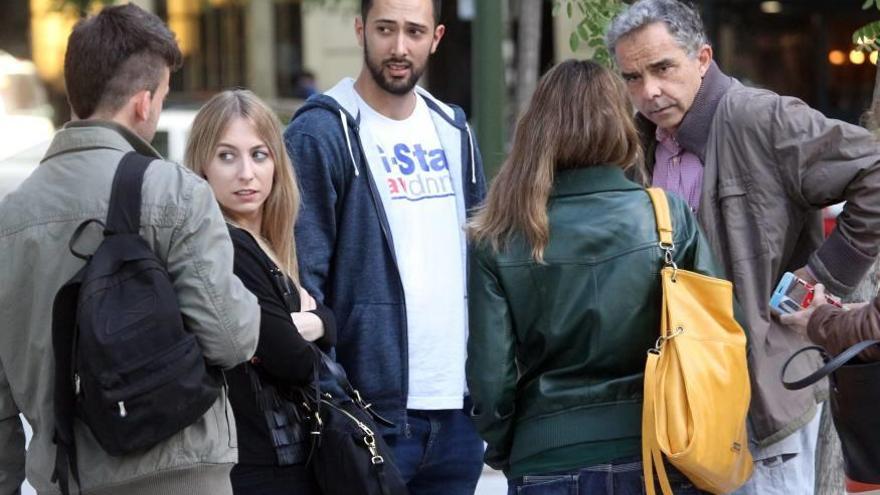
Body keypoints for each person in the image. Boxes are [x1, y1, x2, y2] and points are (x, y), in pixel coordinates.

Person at [606, 1, 880, 493]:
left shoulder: (761, 117)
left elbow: (875, 173)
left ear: (703, 58)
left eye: (663, 68)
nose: (649, 90)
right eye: (632, 77)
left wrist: (819, 277)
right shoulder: (638, 141)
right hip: (678, 399)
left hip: (759, 401)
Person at [0, 5, 260, 495]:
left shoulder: (9, 218)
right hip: (180, 475)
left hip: (66, 478)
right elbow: (232, 338)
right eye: (162, 97)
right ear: (144, 103)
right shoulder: (174, 193)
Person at [466, 59, 719, 495]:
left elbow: (491, 379)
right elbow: (716, 334)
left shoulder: (500, 236)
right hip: (657, 449)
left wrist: (513, 445)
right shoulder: (666, 217)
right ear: (619, 122)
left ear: (537, 128)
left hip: (545, 454)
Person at [283, 0, 487, 492]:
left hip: (458, 415)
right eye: (385, 29)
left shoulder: (453, 129)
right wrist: (337, 402)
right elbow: (299, 282)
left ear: (436, 37)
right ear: (360, 30)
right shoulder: (322, 131)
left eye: (414, 32)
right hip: (369, 417)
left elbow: (485, 264)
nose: (399, 47)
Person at [183, 89, 336, 495]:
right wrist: (312, 324)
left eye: (259, 155)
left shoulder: (266, 243)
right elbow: (293, 360)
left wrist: (318, 321)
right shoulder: (228, 246)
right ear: (202, 166)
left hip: (279, 457)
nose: (246, 173)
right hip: (256, 465)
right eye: (227, 156)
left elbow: (322, 324)